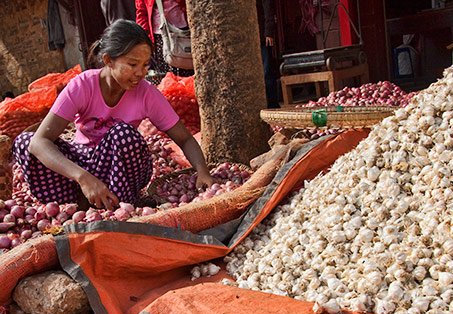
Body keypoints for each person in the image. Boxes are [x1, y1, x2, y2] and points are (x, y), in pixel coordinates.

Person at [12, 19, 214, 210]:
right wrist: (83, 177)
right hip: (83, 163)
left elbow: (185, 138)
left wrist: (202, 172)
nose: (140, 73)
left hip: (119, 170)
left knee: (123, 134)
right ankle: (78, 207)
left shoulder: (146, 93)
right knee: (24, 142)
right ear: (108, 60)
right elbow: (39, 142)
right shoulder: (82, 86)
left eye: (145, 65)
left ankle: (121, 207)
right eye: (132, 64)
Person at [135, 0, 192, 84]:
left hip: (183, 33)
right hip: (159, 36)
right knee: (165, 77)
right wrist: (144, 38)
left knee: (187, 75)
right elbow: (142, 12)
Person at [257, 0, 279, 109]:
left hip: (263, 37)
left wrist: (269, 32)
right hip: (253, 38)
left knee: (267, 71)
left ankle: (272, 103)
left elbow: (268, 10)